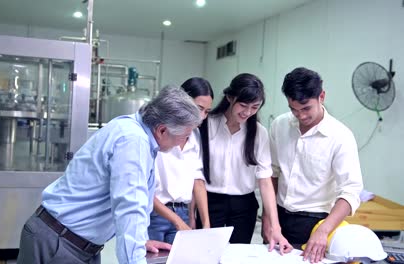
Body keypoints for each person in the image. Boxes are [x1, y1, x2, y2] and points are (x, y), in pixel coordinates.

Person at [17, 85, 202, 264]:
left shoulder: (136, 132)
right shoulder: (133, 142)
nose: (182, 143)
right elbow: (130, 208)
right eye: (185, 136)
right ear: (162, 130)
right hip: (58, 243)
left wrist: (141, 243)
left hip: (74, 243)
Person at [267, 67, 363, 263]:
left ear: (322, 96)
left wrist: (323, 230)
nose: (300, 115)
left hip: (317, 223)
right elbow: (272, 174)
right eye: (293, 109)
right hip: (280, 218)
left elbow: (350, 191)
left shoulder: (340, 136)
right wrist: (269, 219)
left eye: (306, 108)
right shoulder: (280, 125)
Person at [200, 73, 292, 253]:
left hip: (244, 206)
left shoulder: (259, 133)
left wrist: (275, 227)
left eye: (254, 107)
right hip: (210, 202)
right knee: (207, 255)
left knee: (238, 256)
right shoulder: (207, 125)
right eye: (243, 105)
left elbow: (265, 181)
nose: (247, 112)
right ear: (229, 97)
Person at [148, 77, 213, 244]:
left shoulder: (196, 136)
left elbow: (197, 181)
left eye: (207, 111)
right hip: (154, 214)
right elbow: (144, 190)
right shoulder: (160, 134)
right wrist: (177, 221)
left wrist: (202, 221)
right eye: (199, 108)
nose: (202, 117)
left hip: (182, 212)